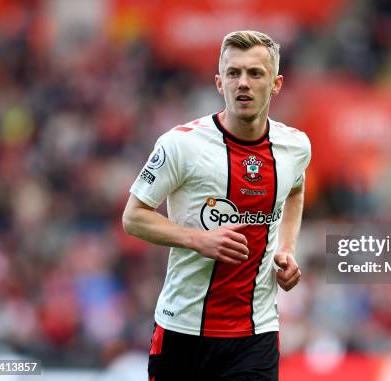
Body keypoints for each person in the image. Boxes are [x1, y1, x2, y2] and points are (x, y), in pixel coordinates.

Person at [122, 30, 311, 381]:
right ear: (219, 83)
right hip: (183, 331)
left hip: (255, 333)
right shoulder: (181, 145)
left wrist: (286, 249)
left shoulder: (295, 146)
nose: (243, 83)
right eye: (233, 73)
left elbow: (296, 188)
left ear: (276, 83)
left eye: (256, 74)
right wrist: (198, 239)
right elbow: (133, 216)